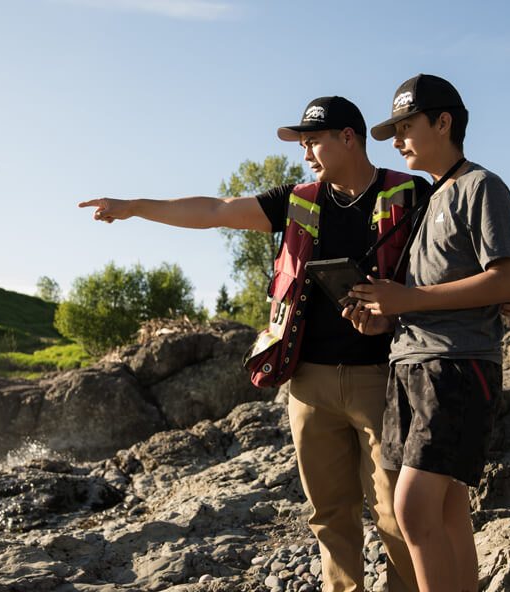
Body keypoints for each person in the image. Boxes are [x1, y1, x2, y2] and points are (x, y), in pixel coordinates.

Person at [79, 96, 426, 592]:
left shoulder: (410, 192)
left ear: (348, 137)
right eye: (303, 144)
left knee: (396, 516)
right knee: (329, 516)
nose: (306, 154)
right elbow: (216, 211)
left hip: (383, 379)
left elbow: (448, 252)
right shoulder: (298, 199)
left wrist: (492, 293)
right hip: (308, 384)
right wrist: (134, 208)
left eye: (313, 142)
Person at [346, 74, 510, 592]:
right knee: (446, 512)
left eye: (406, 127)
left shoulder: (481, 187)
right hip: (411, 365)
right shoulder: (428, 201)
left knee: (411, 508)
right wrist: (385, 315)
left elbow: (508, 279)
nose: (398, 141)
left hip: (458, 366)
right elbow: (429, 291)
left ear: (443, 122)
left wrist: (409, 300)